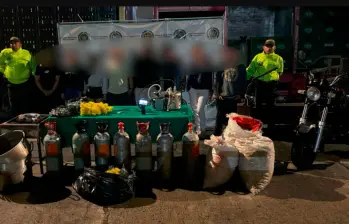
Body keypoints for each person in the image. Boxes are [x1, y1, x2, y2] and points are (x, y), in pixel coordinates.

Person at [246, 39, 284, 128]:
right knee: (257, 106)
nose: (269, 48)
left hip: (271, 85)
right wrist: (248, 79)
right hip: (260, 84)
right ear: (264, 47)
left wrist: (272, 78)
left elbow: (280, 72)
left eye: (271, 46)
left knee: (271, 106)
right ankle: (257, 127)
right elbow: (250, 69)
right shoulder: (258, 57)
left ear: (274, 47)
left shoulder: (279, 58)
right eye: (267, 46)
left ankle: (271, 127)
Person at [0, 37, 36, 116]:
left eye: (15, 43)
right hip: (10, 83)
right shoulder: (5, 52)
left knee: (24, 103)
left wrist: (34, 76)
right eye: (11, 43)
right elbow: (0, 64)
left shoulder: (26, 53)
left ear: (20, 44)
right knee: (13, 103)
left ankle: (26, 120)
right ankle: (14, 120)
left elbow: (33, 66)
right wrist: (3, 72)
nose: (13, 45)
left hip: (24, 83)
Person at [213, 68, 241, 136]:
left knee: (233, 118)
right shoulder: (220, 68)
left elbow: (241, 81)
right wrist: (217, 94)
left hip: (233, 98)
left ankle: (232, 133)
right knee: (220, 117)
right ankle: (217, 133)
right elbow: (216, 81)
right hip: (222, 97)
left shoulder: (239, 68)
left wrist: (240, 94)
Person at [186, 72, 214, 136]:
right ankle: (200, 129)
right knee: (195, 110)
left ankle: (201, 129)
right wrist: (188, 87)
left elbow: (210, 78)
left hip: (204, 89)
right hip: (193, 88)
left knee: (199, 109)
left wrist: (211, 90)